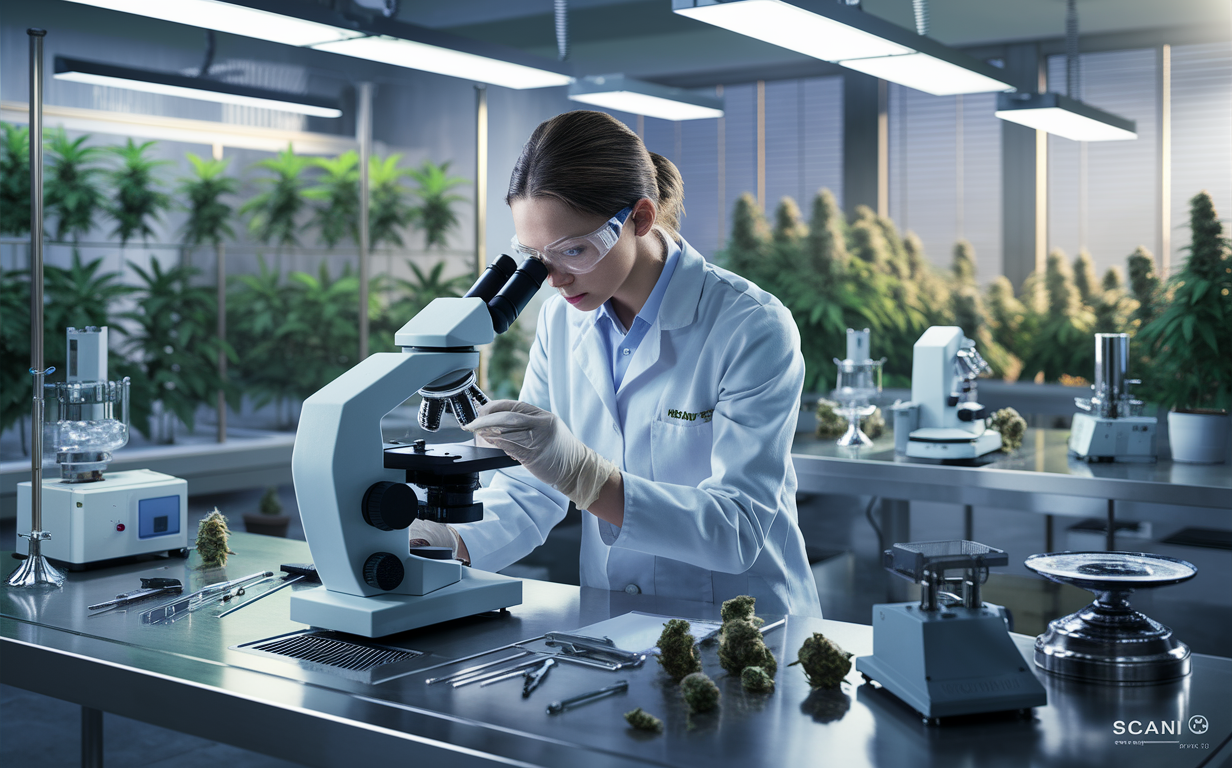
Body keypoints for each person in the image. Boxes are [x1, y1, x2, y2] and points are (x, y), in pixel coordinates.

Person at [410, 110, 821, 618]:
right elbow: (530, 487)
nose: (555, 278)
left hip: (741, 627)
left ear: (640, 219)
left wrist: (585, 477)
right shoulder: (562, 324)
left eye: (574, 250)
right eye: (536, 257)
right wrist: (446, 540)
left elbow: (735, 531)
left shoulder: (749, 325)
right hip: (614, 628)